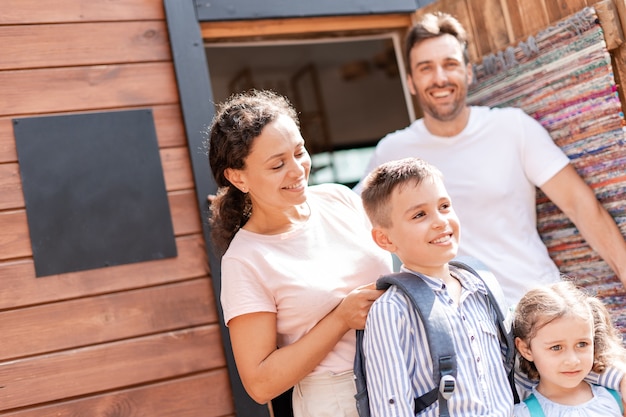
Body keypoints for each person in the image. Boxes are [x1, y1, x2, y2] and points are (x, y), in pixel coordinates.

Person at [353, 11, 626, 305]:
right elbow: (353, 226)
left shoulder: (513, 128)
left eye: (450, 64)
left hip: (537, 307)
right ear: (410, 81)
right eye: (426, 68)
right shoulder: (392, 151)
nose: (440, 78)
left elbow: (582, 206)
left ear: (468, 72)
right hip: (460, 323)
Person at [358, 157, 625, 417]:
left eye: (444, 206)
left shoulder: (483, 288)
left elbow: (541, 359)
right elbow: (391, 407)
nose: (440, 220)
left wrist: (619, 377)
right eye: (419, 214)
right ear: (385, 239)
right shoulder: (391, 310)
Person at [207, 89, 393, 417]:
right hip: (337, 399)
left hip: (400, 374)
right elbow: (260, 383)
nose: (297, 170)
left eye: (299, 151)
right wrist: (340, 319)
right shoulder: (245, 260)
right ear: (238, 177)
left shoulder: (340, 199)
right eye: (277, 164)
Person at [513, 280, 626, 416]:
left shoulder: (615, 398)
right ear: (526, 349)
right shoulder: (524, 413)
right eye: (556, 347)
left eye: (582, 344)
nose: (573, 360)